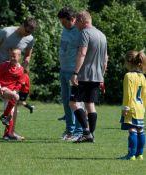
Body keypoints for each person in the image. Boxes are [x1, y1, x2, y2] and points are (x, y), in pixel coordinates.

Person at [0, 17, 37, 140]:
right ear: (22, 25)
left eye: (30, 33)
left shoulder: (30, 39)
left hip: (14, 75)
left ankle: (9, 132)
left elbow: (27, 56)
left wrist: (23, 68)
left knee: (13, 100)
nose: (28, 34)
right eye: (26, 31)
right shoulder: (6, 32)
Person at [70, 11, 108, 143]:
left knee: (73, 103)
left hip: (84, 75)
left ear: (82, 20)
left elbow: (82, 53)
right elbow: (105, 59)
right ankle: (91, 134)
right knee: (90, 104)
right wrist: (101, 76)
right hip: (97, 76)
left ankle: (86, 132)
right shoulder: (102, 35)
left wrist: (75, 72)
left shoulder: (85, 33)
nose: (75, 26)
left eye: (76, 22)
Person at [57, 7, 82, 141]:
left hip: (74, 72)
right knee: (66, 102)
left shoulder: (79, 31)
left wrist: (77, 72)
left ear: (72, 19)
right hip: (63, 70)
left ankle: (79, 131)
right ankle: (69, 130)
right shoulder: (64, 30)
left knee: (76, 102)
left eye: (64, 22)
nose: (63, 25)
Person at [120, 50, 146, 160]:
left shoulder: (128, 76)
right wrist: (144, 107)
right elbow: (144, 95)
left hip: (131, 107)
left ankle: (131, 155)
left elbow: (128, 94)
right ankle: (139, 154)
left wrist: (126, 107)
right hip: (140, 107)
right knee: (140, 130)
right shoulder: (142, 76)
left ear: (129, 62)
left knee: (132, 130)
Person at [0, 48, 25, 140]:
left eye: (14, 56)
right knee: (16, 97)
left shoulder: (20, 69)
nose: (12, 58)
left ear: (19, 57)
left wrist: (15, 91)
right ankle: (4, 116)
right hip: (3, 89)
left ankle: (7, 134)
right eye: (11, 56)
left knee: (12, 112)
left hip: (12, 92)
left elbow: (19, 83)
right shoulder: (4, 65)